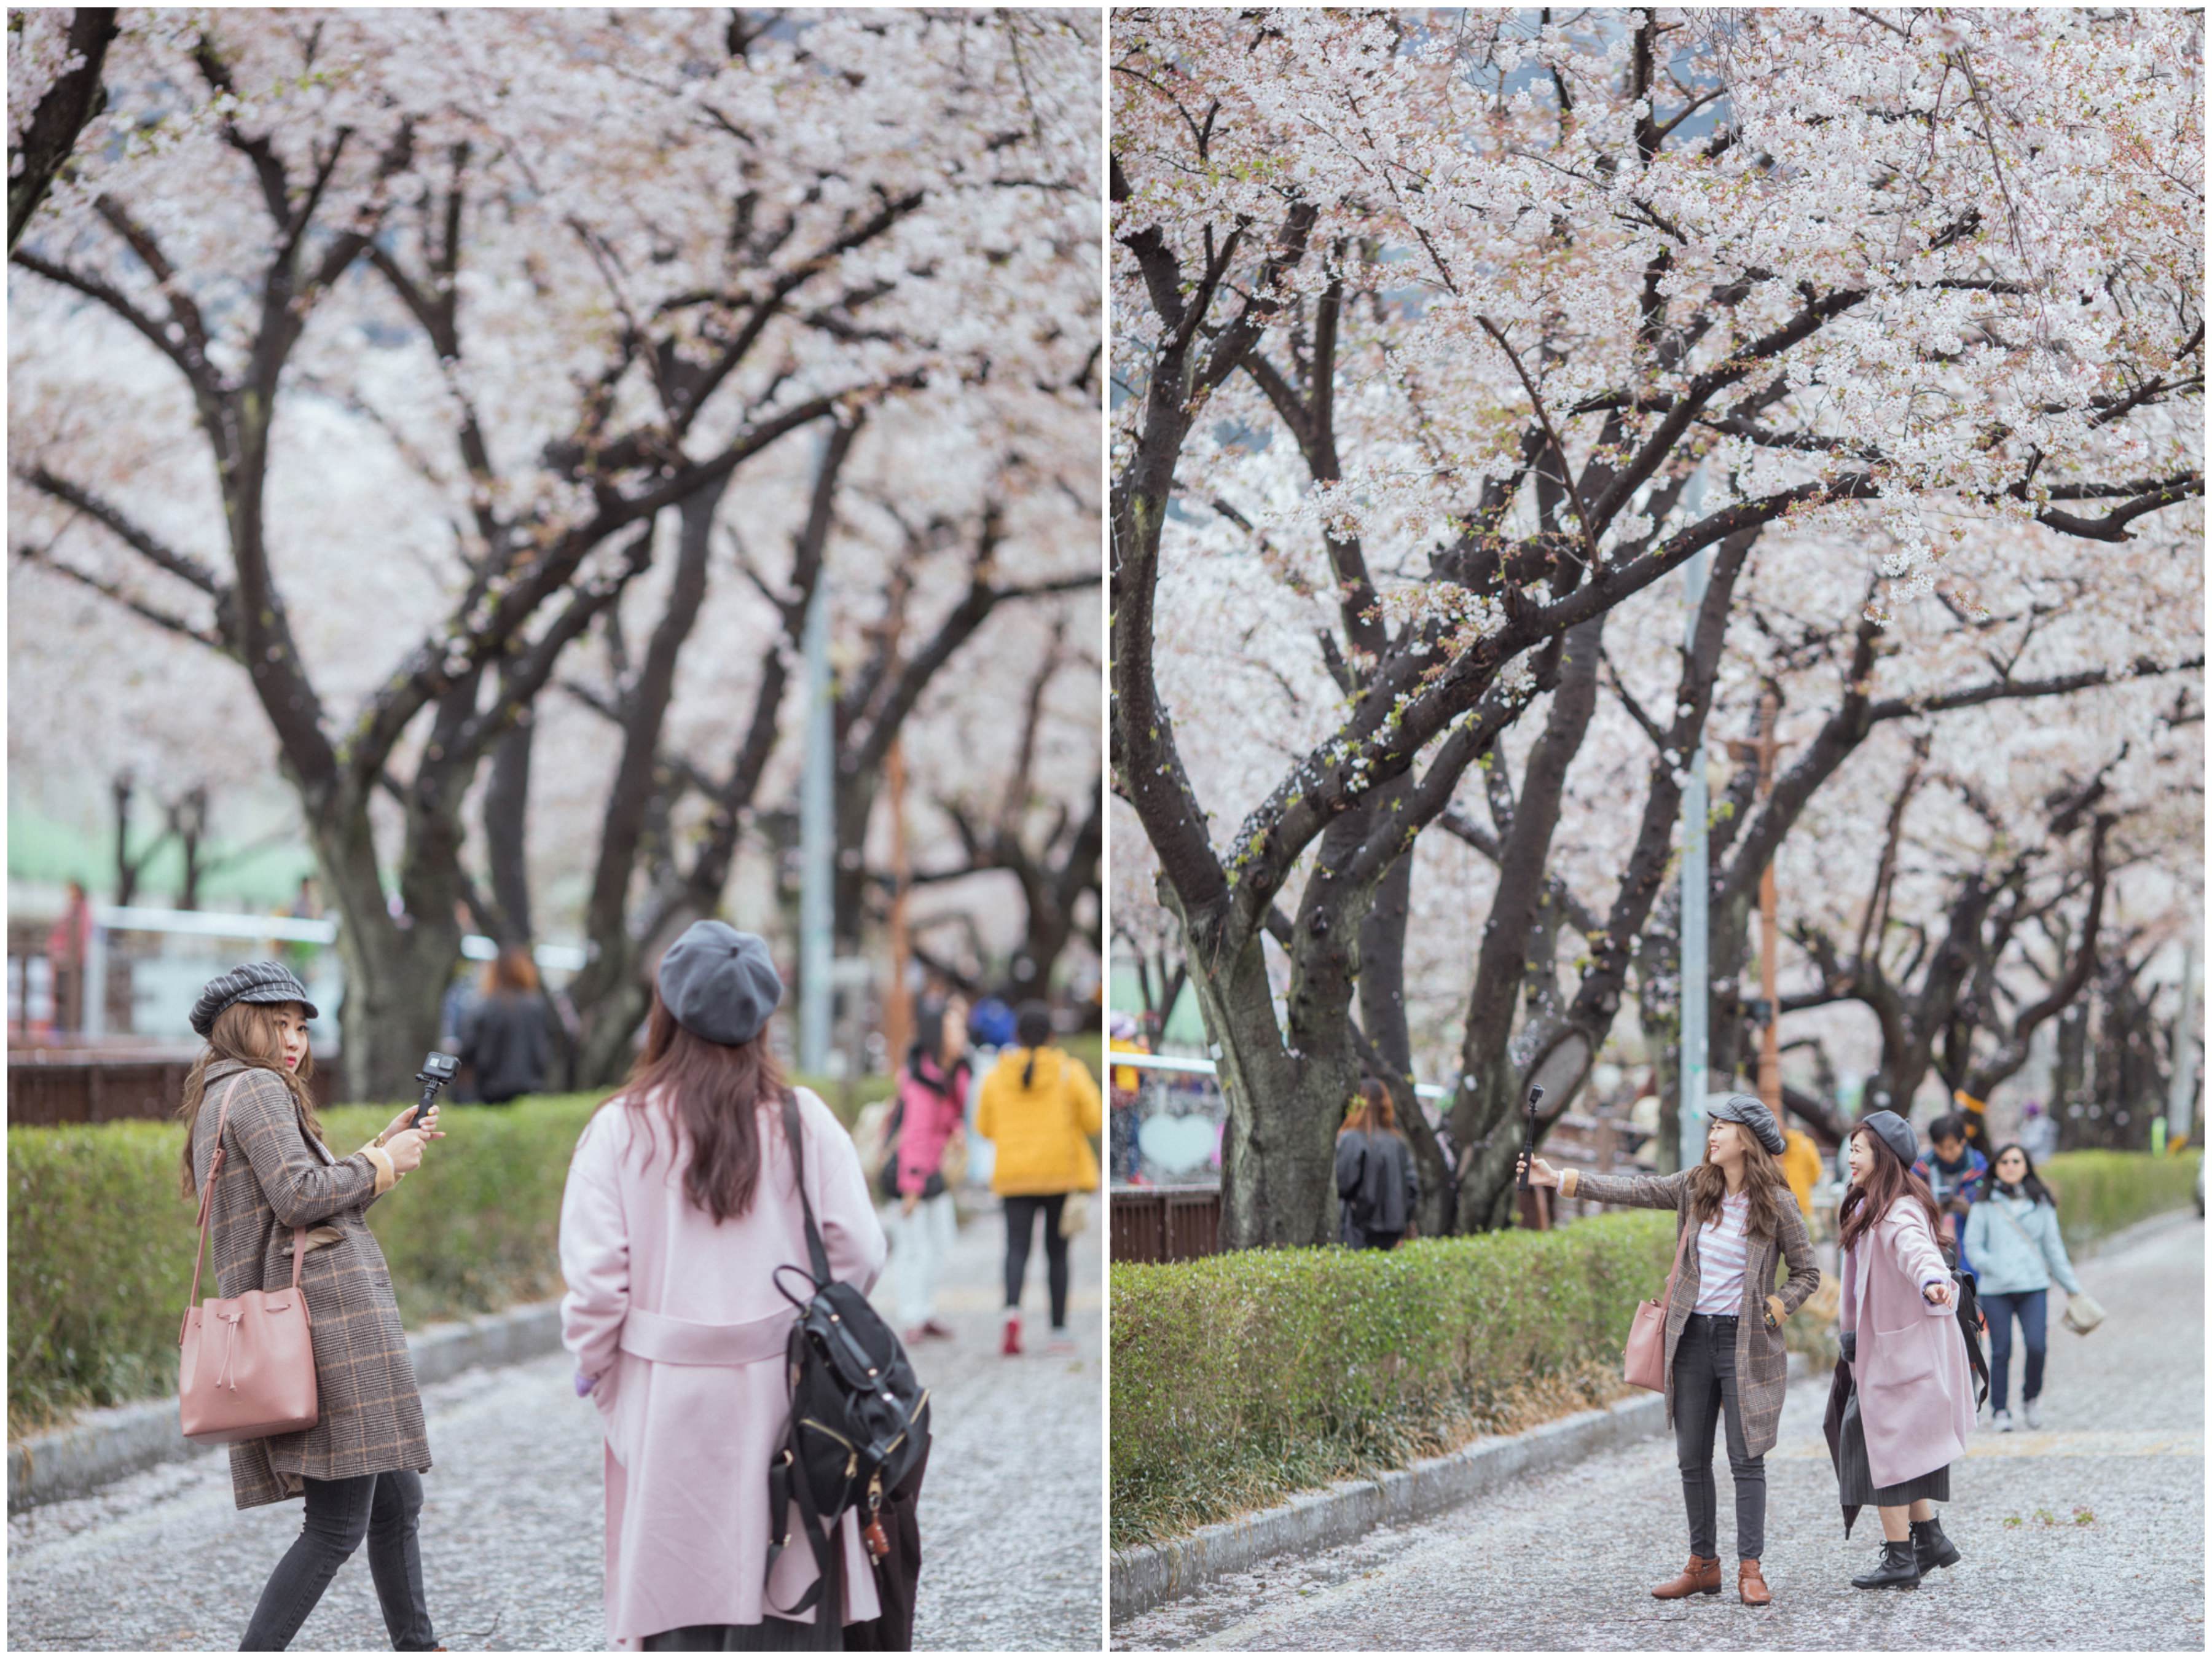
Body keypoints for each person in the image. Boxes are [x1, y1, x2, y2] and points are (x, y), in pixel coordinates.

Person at [560, 922, 888, 1651]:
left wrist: (594, 1369)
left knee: (679, 1600)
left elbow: (595, 1285)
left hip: (664, 1394)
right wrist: (810, 1317)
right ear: (763, 1018)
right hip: (792, 1391)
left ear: (667, 1014)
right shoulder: (804, 1120)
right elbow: (861, 1248)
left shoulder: (622, 1129)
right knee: (789, 1588)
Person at [176, 960, 444, 1650]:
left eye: (300, 1026)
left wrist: (379, 1152)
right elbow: (299, 1198)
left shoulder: (223, 1094)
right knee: (335, 1528)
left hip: (315, 1320)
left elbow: (297, 1205)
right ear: (242, 1024)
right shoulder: (259, 1088)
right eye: (279, 1023)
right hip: (325, 1327)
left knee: (396, 1500)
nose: (294, 1039)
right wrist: (383, 1166)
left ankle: (419, 1646)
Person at [1523, 1092, 1818, 1608]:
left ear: (1745, 1139)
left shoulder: (1777, 1201)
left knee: (1746, 1457)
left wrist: (1776, 1307)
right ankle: (1703, 1565)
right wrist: (1562, 1179)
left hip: (1745, 1341)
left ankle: (1752, 1567)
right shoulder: (1694, 1187)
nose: (1713, 1134)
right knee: (1691, 1457)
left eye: (1722, 1127)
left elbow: (1808, 1271)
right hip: (1691, 1338)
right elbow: (1634, 1188)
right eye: (1712, 1127)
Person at [1826, 1109, 1974, 1591]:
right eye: (1850, 1147)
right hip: (1878, 1350)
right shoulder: (1872, 1205)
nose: (1850, 1156)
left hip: (1898, 1351)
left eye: (1859, 1148)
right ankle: (1929, 1538)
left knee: (1879, 1449)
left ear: (1882, 1157)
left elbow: (1918, 1252)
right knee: (1895, 1445)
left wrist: (1934, 1281)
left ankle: (1900, 1558)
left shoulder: (1899, 1211)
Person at [975, 1002, 1102, 1357]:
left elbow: (984, 1127)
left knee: (1016, 1248)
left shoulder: (997, 1074)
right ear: (1052, 1036)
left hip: (1013, 1175)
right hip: (1060, 1174)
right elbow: (1094, 1120)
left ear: (1016, 1036)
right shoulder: (1068, 1071)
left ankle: (1012, 1313)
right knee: (1057, 1253)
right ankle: (1059, 1330)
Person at [1963, 1142, 2082, 1432]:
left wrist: (2072, 1288)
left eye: (2016, 1161)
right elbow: (1973, 1246)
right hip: (1996, 1289)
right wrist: (1993, 1265)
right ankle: (2000, 1408)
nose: (2011, 1167)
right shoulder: (1984, 1203)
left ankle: (2031, 1399)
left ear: (2026, 1166)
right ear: (1996, 1168)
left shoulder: (2040, 1203)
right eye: (2004, 1162)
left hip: (2033, 1286)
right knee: (2001, 1350)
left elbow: (2054, 1248)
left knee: (2037, 1346)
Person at [886, 994, 971, 1346]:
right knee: (913, 1249)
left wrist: (955, 1131)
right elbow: (915, 1136)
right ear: (938, 1035)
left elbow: (945, 1121)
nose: (961, 1033)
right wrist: (912, 1187)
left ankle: (924, 1309)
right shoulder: (921, 1079)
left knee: (941, 1242)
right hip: (910, 1174)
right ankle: (912, 1316)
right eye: (953, 1028)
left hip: (931, 1172)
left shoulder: (952, 1073)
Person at [458, 945, 555, 1104]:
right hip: (530, 1086)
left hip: (490, 1089)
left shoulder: (486, 1006)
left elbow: (468, 1048)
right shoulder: (536, 1005)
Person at [1335, 1080, 1418, 1250]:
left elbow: (1342, 1185)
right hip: (1393, 1231)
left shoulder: (1351, 1139)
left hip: (1357, 1231)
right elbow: (1412, 1188)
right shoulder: (1398, 1142)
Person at [1912, 1112, 1988, 1274]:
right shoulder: (1921, 1169)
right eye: (1940, 1148)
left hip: (1969, 1240)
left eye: (1952, 1148)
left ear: (1963, 1141)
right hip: (1933, 1241)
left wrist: (1967, 1209)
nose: (1947, 1154)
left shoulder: (1979, 1168)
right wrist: (1932, 1209)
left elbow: (1988, 1207)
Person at [2017, 1100, 2060, 1164]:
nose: (2025, 1115)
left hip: (2040, 1158)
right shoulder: (2036, 1122)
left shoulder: (2040, 1124)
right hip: (2040, 1157)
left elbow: (2035, 1142)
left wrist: (2020, 1145)